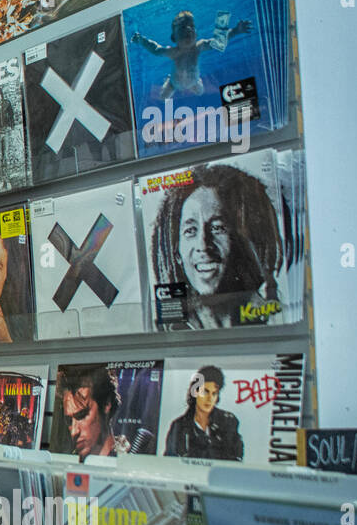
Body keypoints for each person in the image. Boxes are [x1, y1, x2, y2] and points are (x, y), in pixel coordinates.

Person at [149, 162, 284, 328]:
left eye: (217, 228)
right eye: (190, 230)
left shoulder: (275, 319)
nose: (203, 245)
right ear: (176, 253)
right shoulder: (171, 329)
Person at [131, 10, 253, 98]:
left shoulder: (199, 46)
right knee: (163, 97)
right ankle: (168, 79)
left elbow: (218, 42)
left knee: (201, 92)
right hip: (174, 83)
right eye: (183, 27)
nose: (188, 29)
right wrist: (142, 40)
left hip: (194, 81)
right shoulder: (174, 52)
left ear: (197, 34)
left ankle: (196, 79)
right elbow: (156, 49)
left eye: (191, 26)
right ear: (174, 38)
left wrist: (236, 30)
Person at [163, 366, 244, 461]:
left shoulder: (228, 421)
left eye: (214, 393)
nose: (209, 399)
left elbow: (237, 459)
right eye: (205, 392)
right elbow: (170, 462)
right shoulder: (179, 426)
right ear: (195, 392)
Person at [55, 365, 128, 461]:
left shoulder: (128, 459)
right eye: (69, 421)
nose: (74, 432)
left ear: (106, 404)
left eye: (81, 416)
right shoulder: (68, 461)